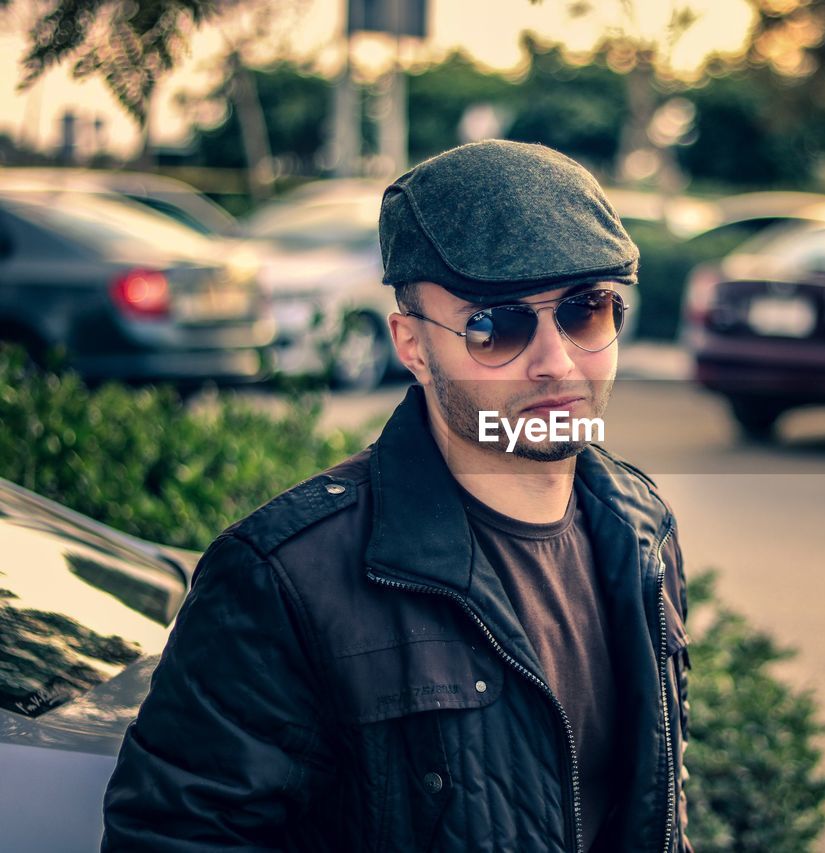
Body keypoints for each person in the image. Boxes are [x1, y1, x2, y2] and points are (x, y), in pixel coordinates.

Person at [102, 140, 692, 853]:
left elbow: (654, 810)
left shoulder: (640, 527)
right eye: (494, 326)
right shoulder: (284, 578)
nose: (557, 361)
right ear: (412, 345)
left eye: (585, 310)